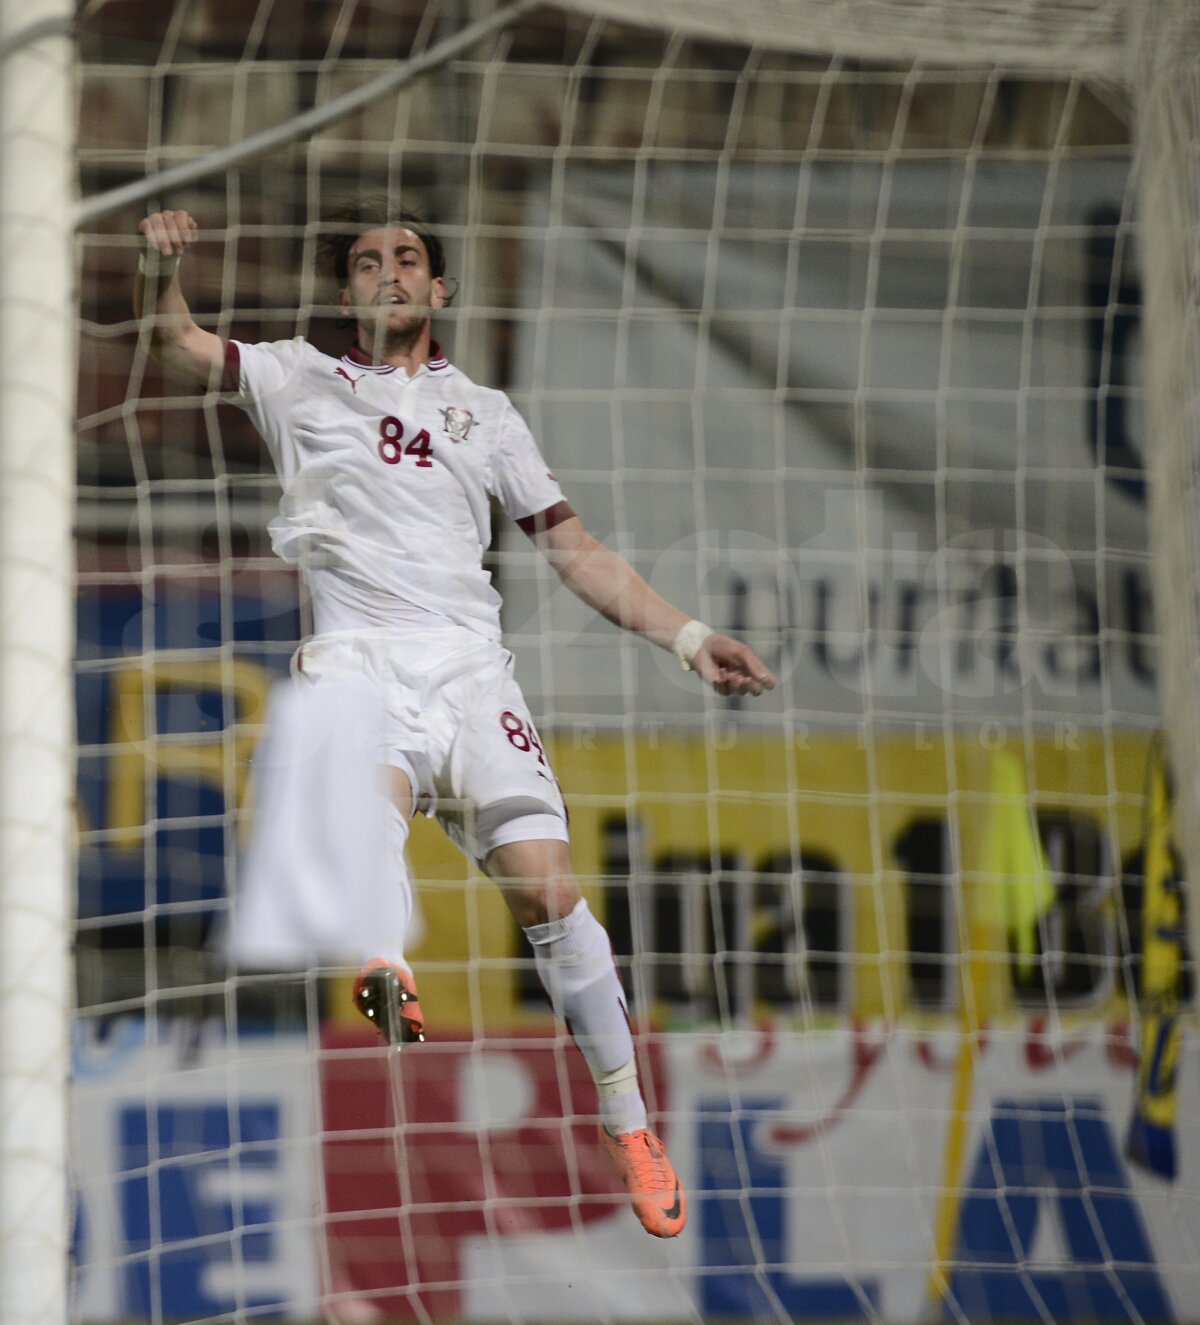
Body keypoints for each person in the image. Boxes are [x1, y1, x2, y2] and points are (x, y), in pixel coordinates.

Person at [134, 199, 776, 1240]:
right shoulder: (297, 373)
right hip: (357, 660)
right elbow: (174, 338)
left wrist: (690, 636)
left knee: (548, 885)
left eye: (409, 258)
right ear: (344, 294)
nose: (388, 273)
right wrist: (156, 269)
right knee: (364, 797)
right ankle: (384, 959)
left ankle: (628, 1121)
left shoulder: (488, 415)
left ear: (440, 290)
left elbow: (577, 550)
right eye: (365, 262)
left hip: (473, 679)